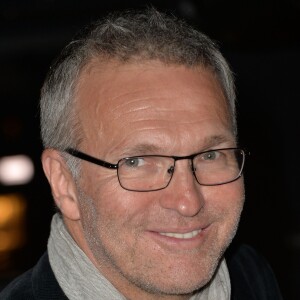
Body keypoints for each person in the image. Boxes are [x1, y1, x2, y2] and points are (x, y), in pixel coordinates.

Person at [0, 8, 282, 300]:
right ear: (64, 183)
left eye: (210, 155)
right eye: (138, 162)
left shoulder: (250, 275)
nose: (188, 202)